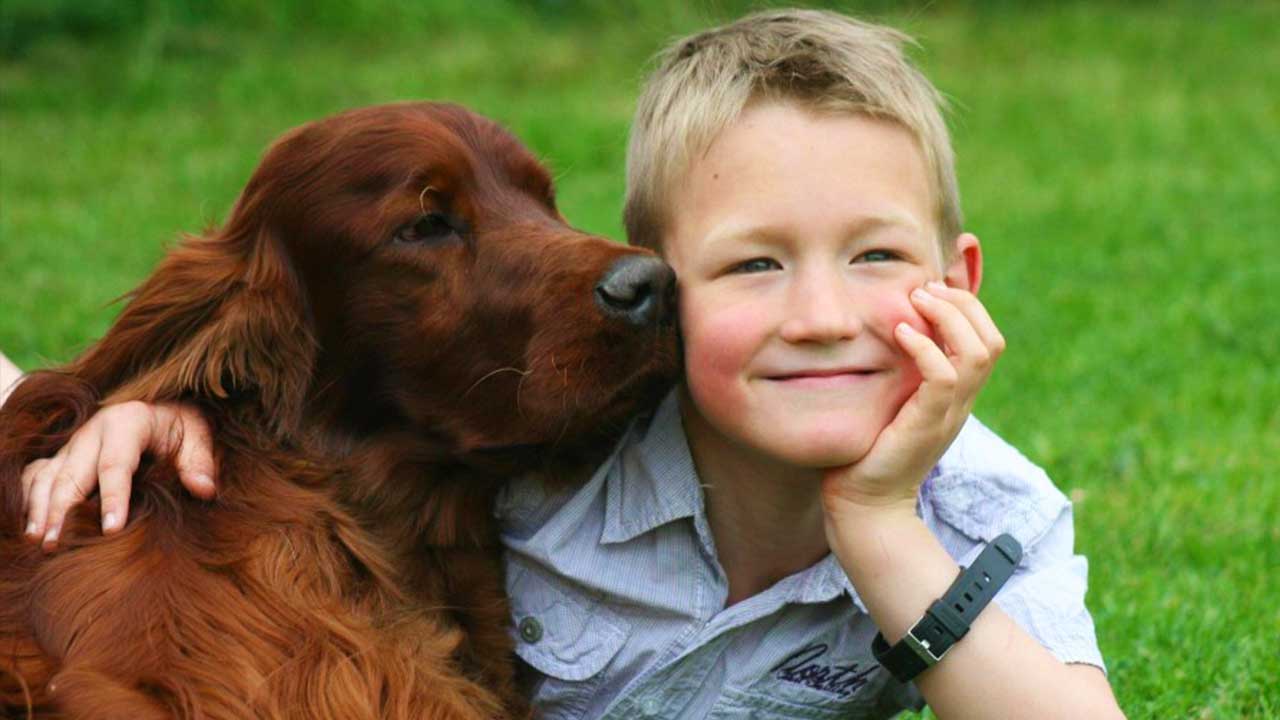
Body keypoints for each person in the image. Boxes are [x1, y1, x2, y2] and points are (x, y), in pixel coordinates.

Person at [9, 9, 1124, 718]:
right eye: (750, 267)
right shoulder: (550, 458)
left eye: (874, 254)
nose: (820, 313)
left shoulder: (986, 507)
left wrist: (880, 523)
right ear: (678, 280)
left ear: (959, 277)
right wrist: (128, 403)